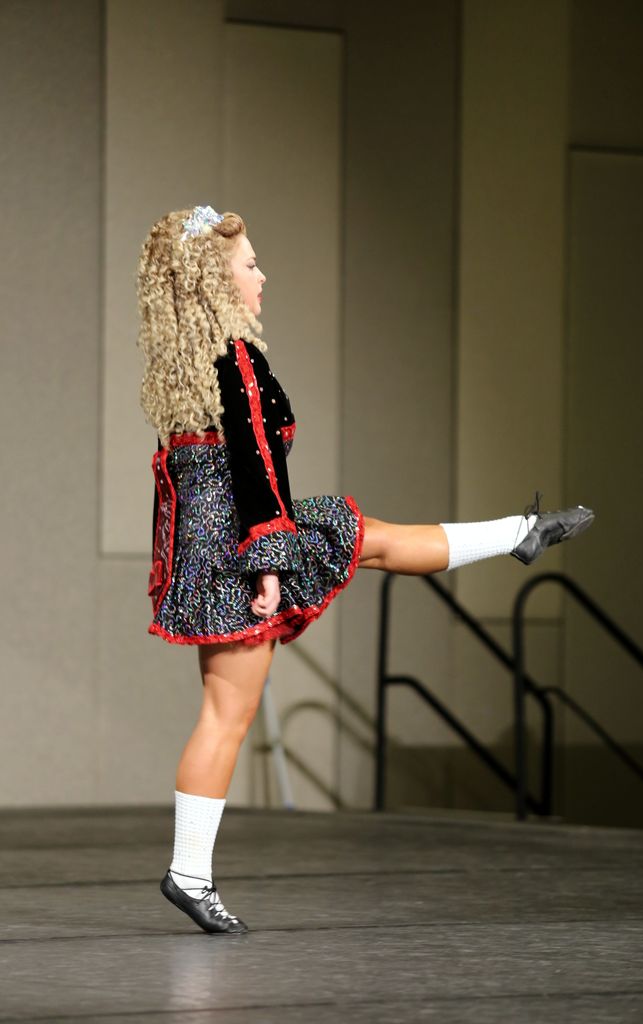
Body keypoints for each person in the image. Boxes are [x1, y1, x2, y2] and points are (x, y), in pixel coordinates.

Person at [136, 204, 595, 935]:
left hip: (218, 545)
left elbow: (191, 480)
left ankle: (519, 533)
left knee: (367, 536)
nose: (263, 276)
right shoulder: (236, 356)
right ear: (217, 283)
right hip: (243, 547)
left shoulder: (187, 367)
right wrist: (268, 566)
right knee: (226, 716)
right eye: (250, 265)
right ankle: (189, 873)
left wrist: (212, 559)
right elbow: (256, 465)